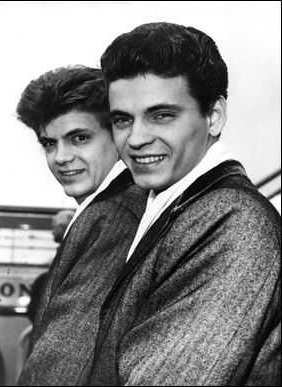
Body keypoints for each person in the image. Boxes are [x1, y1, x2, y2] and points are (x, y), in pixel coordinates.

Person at [86, 22, 281, 386]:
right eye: (122, 120)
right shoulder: (175, 207)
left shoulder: (235, 224)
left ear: (214, 115)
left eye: (162, 115)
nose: (137, 138)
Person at [15, 65, 147, 385]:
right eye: (49, 143)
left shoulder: (113, 216)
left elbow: (62, 363)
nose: (61, 157)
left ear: (119, 136)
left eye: (79, 138)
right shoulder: (133, 203)